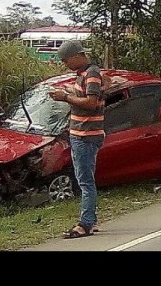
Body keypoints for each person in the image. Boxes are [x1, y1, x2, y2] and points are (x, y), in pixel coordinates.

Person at [49, 40, 105, 238]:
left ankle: (86, 223)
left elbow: (91, 103)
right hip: (80, 133)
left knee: (85, 181)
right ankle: (92, 219)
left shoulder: (92, 74)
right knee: (84, 179)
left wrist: (65, 97)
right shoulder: (83, 75)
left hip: (86, 135)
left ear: (76, 56)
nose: (65, 65)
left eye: (66, 61)